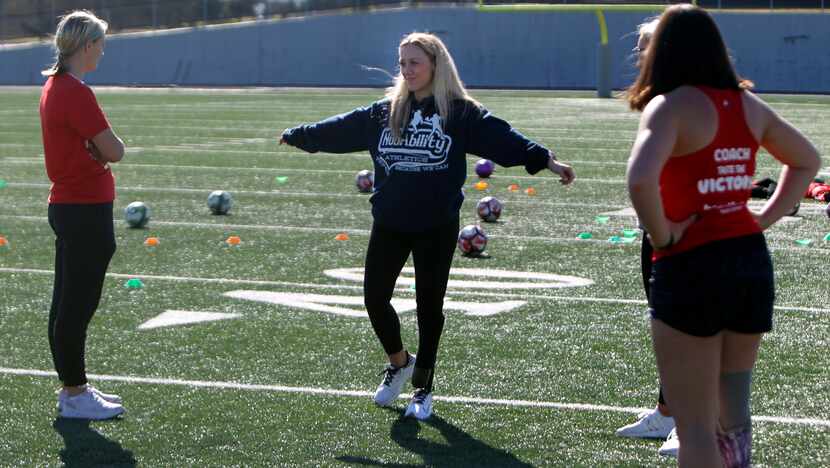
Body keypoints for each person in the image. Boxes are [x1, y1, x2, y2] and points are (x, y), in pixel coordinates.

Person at [280, 32, 575, 420]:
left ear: (436, 64)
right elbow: (341, 127)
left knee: (428, 307)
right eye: (402, 63)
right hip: (390, 221)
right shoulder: (385, 112)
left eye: (415, 62)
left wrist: (548, 161)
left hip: (436, 223)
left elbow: (505, 139)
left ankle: (423, 388)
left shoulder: (460, 113)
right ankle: (399, 361)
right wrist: (301, 135)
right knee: (373, 298)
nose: (407, 70)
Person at [625, 5, 819, 467]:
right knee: (733, 420)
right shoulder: (747, 104)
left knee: (695, 430)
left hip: (691, 265)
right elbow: (807, 160)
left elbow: (639, 180)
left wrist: (664, 235)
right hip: (749, 262)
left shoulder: (669, 105)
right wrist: (761, 221)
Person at [40, 10, 127, 420]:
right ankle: (74, 392)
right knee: (75, 305)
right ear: (86, 44)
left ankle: (75, 387)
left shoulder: (56, 86)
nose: (103, 51)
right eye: (100, 43)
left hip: (74, 205)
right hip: (82, 208)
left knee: (69, 302)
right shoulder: (74, 91)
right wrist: (102, 150)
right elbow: (114, 150)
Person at [615, 17, 679, 458]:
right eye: (638, 46)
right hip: (657, 229)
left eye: (647, 46)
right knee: (665, 324)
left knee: (687, 328)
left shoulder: (685, 99)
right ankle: (669, 413)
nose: (639, 54)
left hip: (683, 232)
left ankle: (696, 423)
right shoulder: (656, 97)